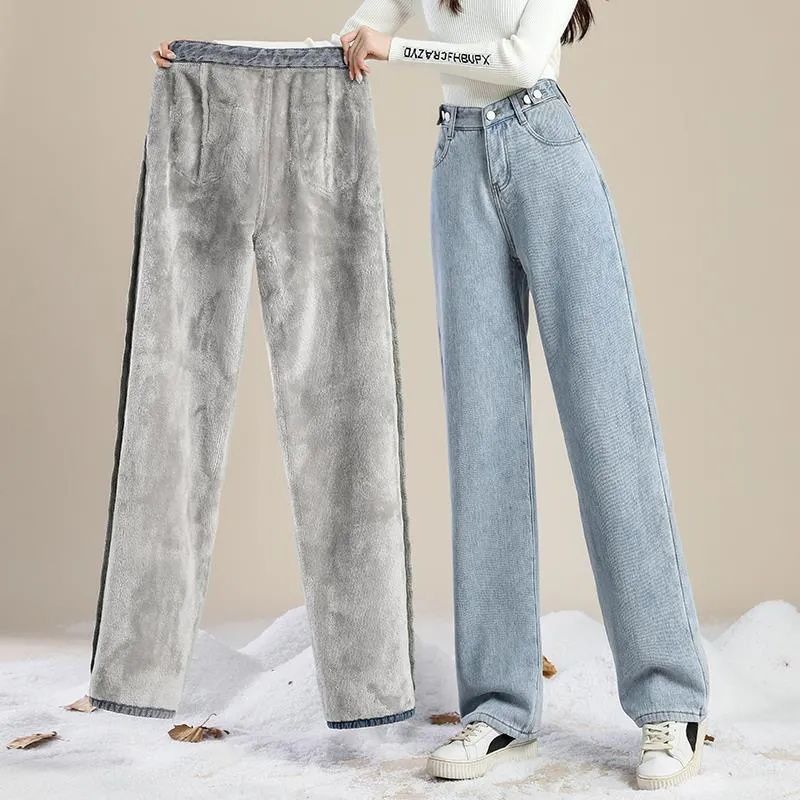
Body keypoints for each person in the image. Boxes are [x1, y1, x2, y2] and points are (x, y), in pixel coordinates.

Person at [153, 0, 710, 789]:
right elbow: (341, 46)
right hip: (458, 162)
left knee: (609, 427)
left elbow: (519, 60)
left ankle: (670, 700)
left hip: (546, 150)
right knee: (481, 440)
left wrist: (396, 52)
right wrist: (208, 61)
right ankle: (500, 709)